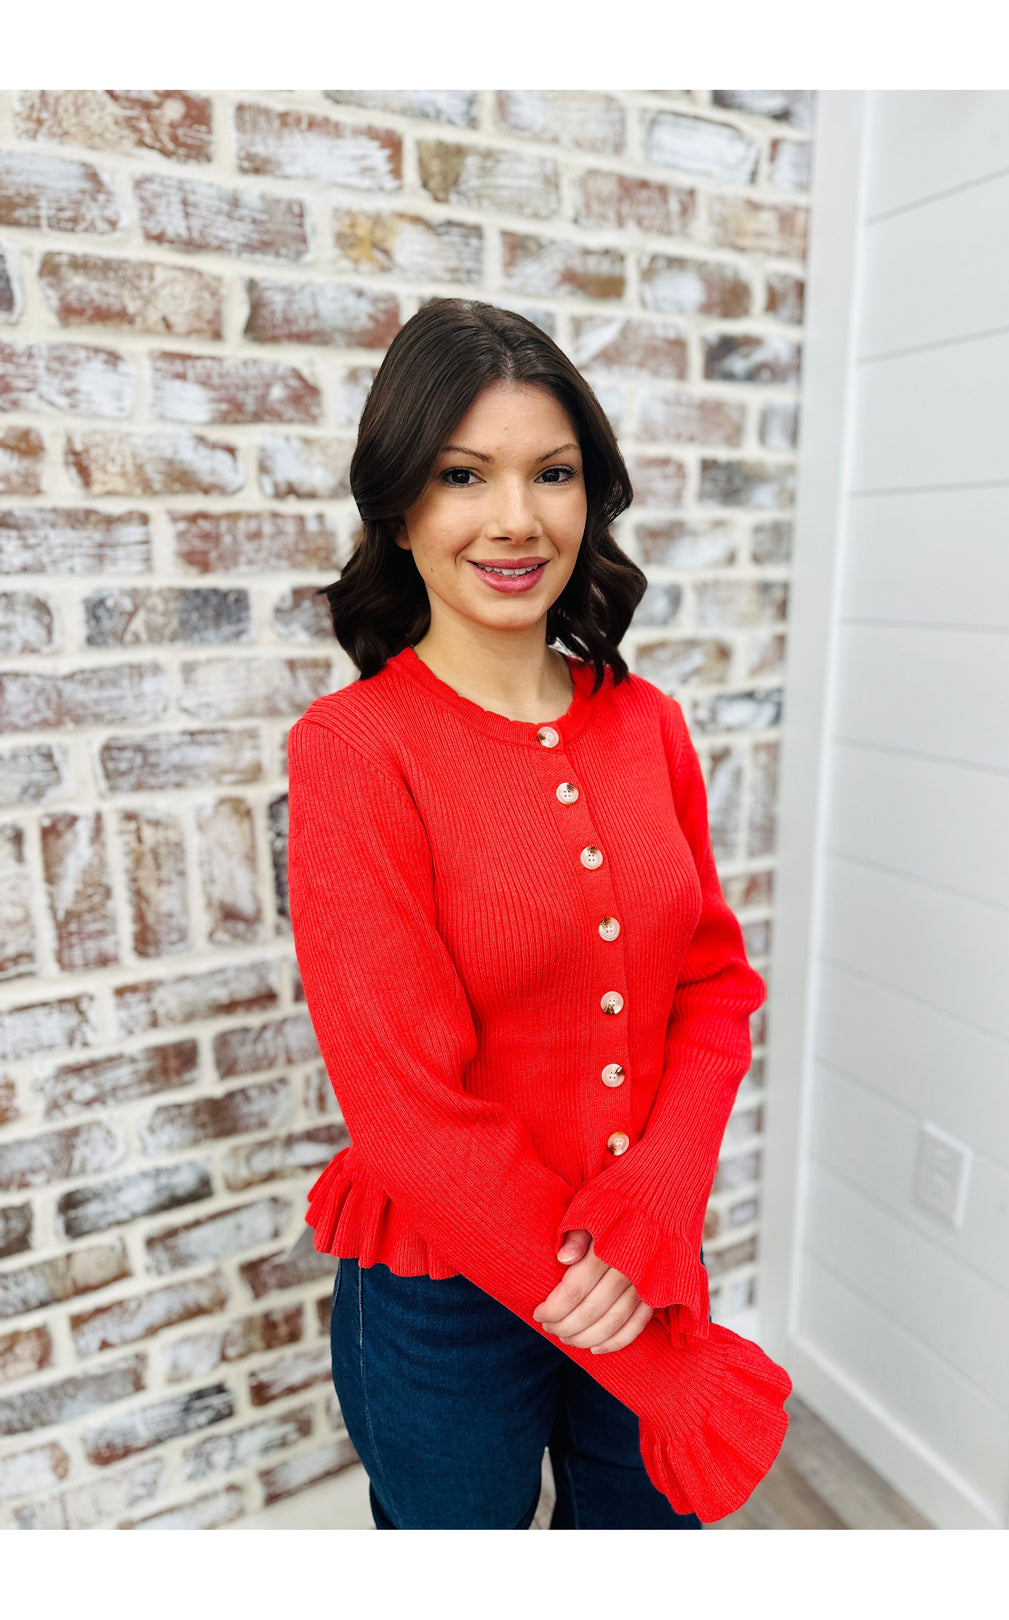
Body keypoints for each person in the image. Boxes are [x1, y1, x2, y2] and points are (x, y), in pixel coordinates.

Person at [286, 298, 793, 1530]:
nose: (516, 518)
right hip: (445, 1297)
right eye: (466, 475)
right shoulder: (356, 751)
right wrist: (650, 1349)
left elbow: (712, 988)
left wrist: (659, 1200)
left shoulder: (648, 723)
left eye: (551, 473)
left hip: (645, 1252)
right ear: (401, 505)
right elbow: (406, 1105)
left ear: (590, 497)